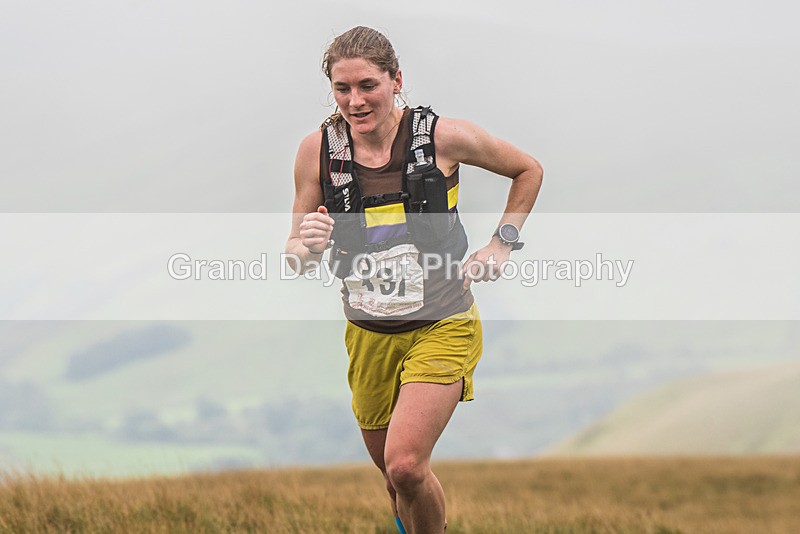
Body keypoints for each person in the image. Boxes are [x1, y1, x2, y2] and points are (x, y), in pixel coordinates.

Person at [285, 26, 542, 534]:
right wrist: (307, 244)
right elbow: (296, 256)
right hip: (368, 334)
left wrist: (501, 243)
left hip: (442, 322)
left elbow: (527, 170)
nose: (355, 101)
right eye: (342, 89)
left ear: (395, 80)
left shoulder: (444, 137)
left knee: (405, 464)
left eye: (367, 86)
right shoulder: (316, 151)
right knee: (395, 478)